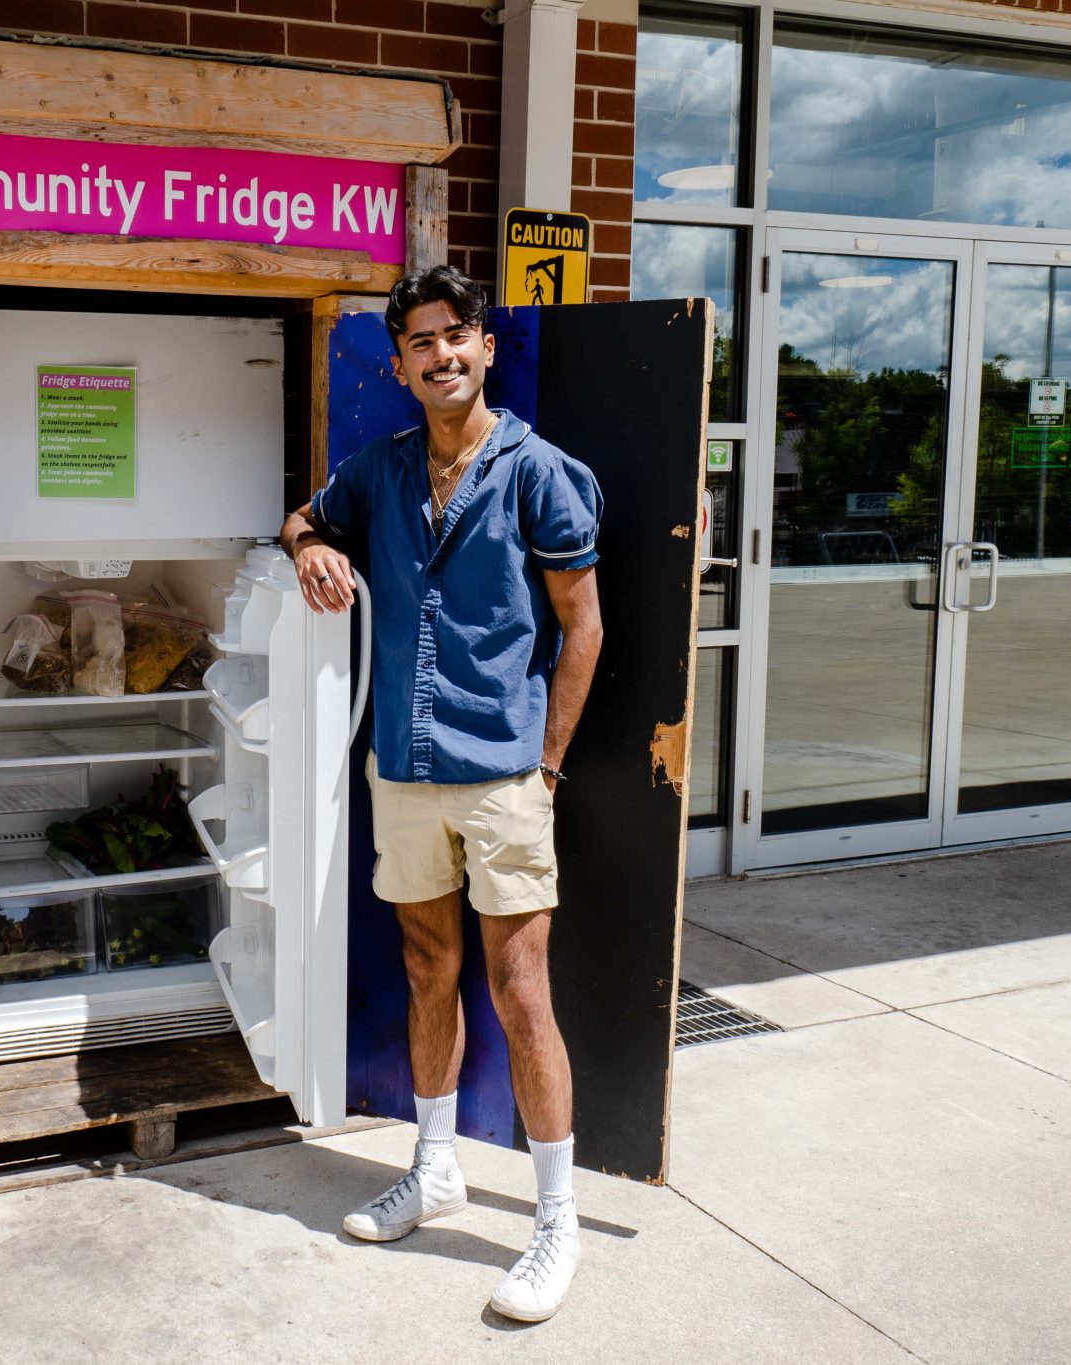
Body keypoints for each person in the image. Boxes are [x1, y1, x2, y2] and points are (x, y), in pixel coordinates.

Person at [279, 265, 604, 1323]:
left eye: (454, 334)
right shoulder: (377, 470)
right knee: (428, 970)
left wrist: (545, 766)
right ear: (400, 365)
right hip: (405, 770)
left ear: (484, 346)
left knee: (518, 991)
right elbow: (300, 516)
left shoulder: (540, 474)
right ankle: (435, 1168)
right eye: (418, 343)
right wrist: (310, 551)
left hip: (504, 775)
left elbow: (582, 628)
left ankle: (553, 1223)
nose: (439, 355)